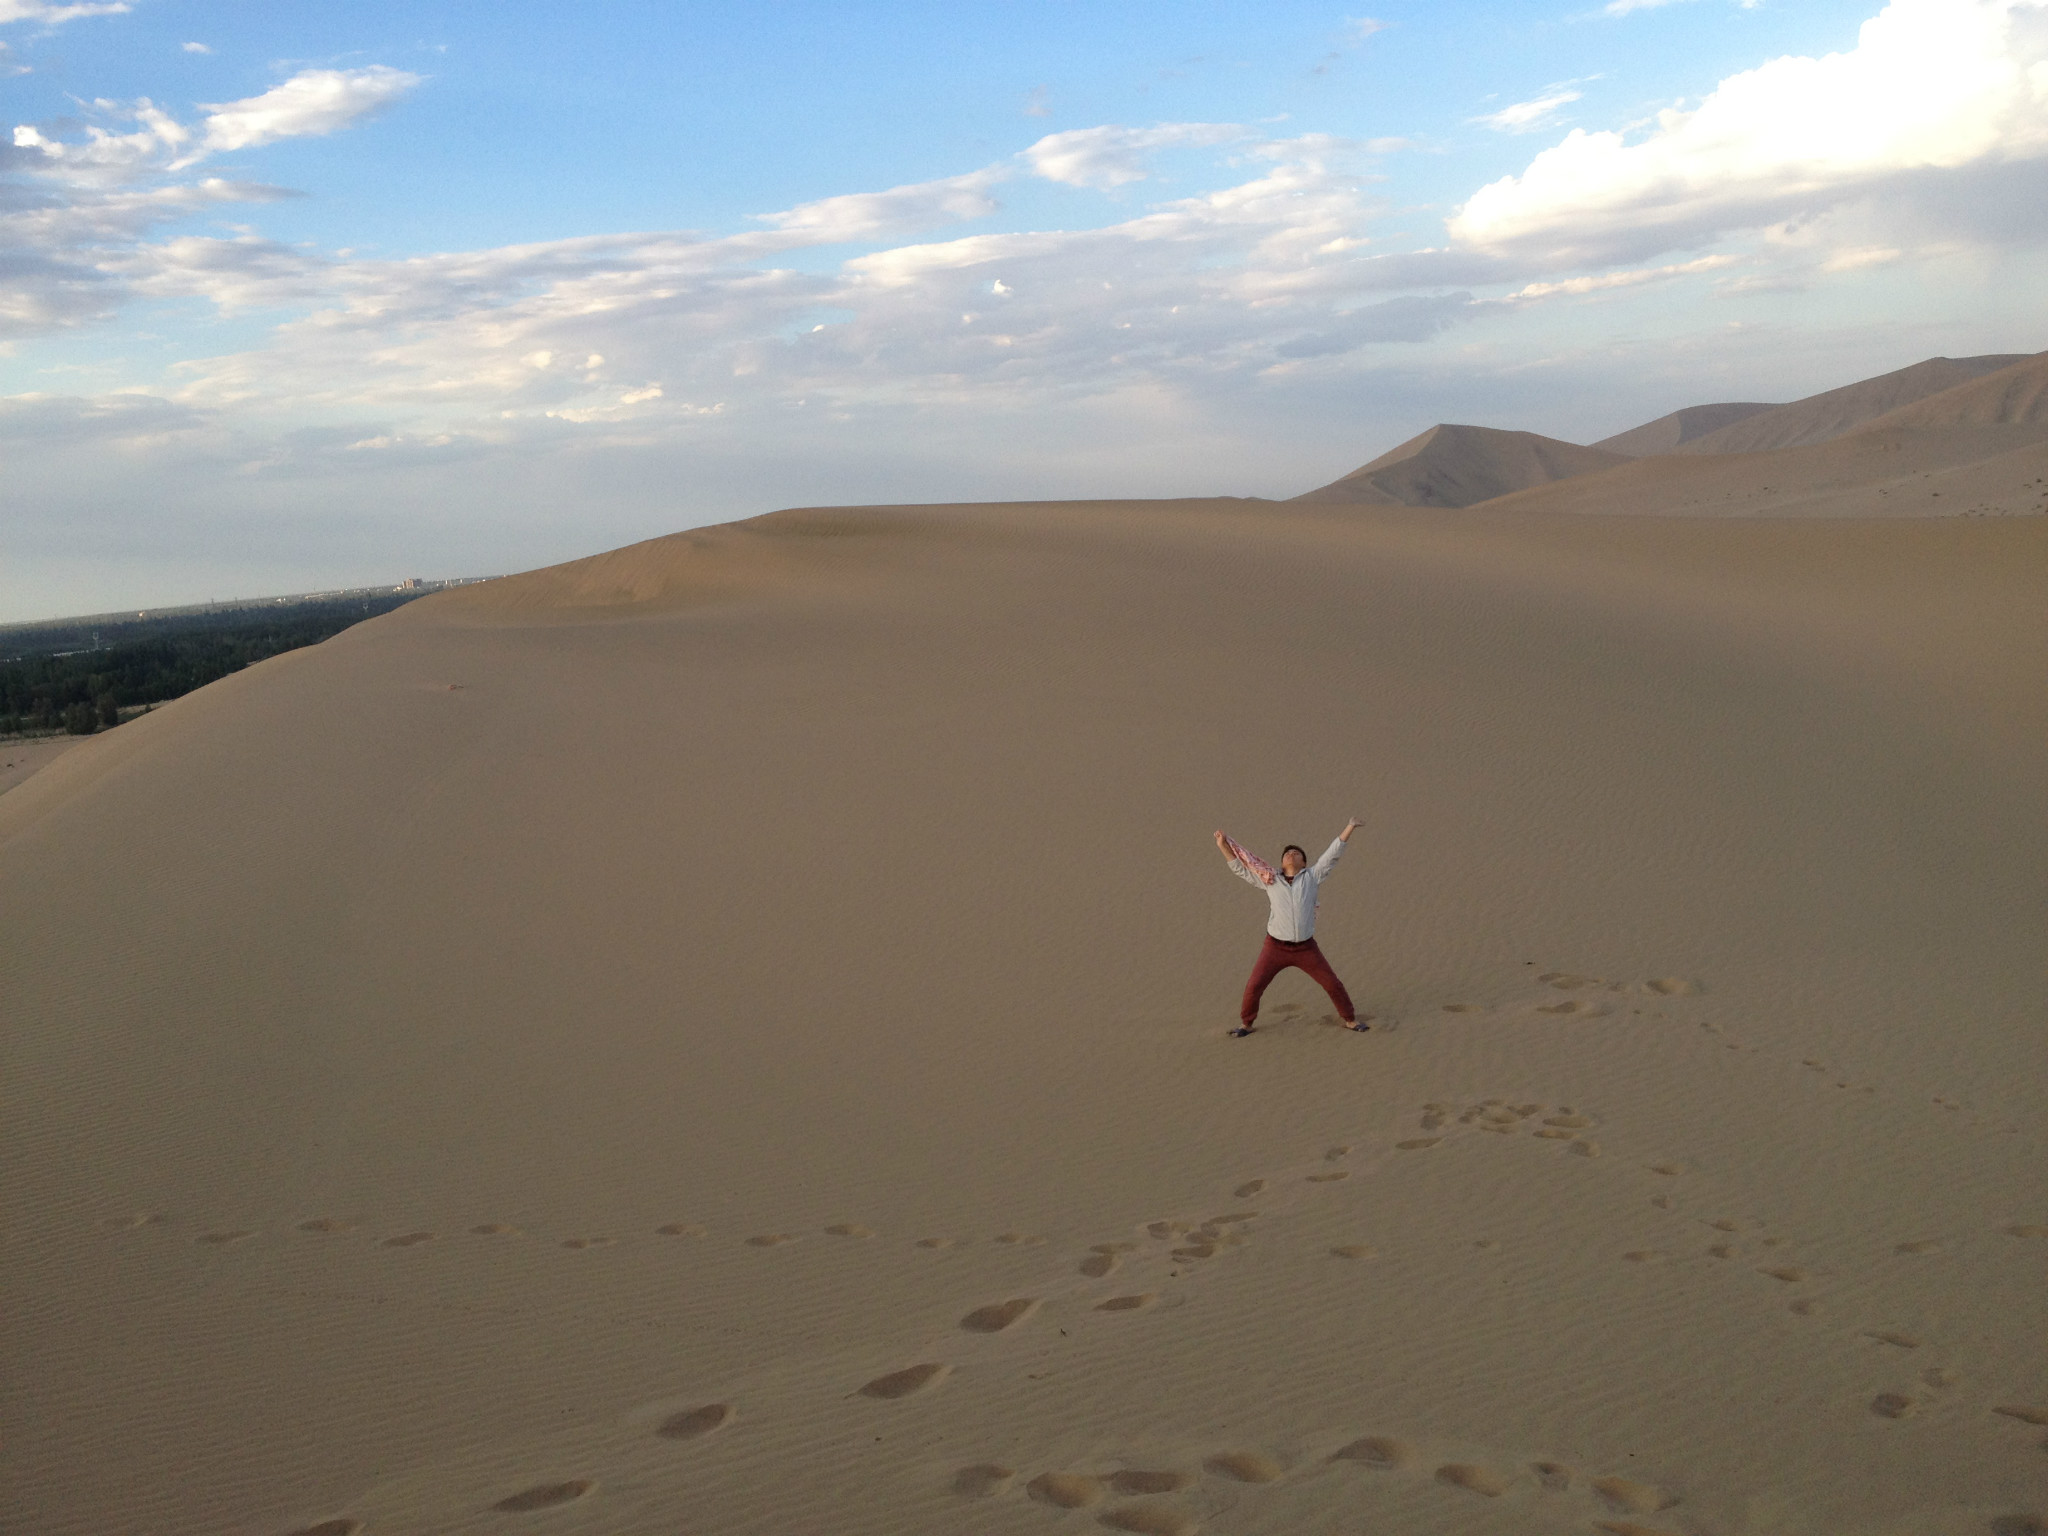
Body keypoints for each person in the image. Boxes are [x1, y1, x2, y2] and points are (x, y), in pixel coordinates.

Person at [1214, 820, 1363, 1036]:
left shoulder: (1312, 877)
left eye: (1296, 853)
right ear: (1282, 863)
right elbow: (1240, 869)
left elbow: (1332, 855)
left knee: (1332, 984)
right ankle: (1246, 1024)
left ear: (1304, 863)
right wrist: (1222, 845)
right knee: (1254, 986)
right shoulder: (1270, 879)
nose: (1290, 855)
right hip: (1274, 947)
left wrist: (1349, 827)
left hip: (1306, 949)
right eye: (1287, 854)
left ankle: (1349, 1019)